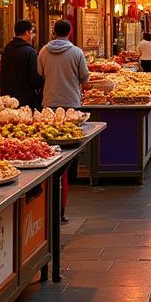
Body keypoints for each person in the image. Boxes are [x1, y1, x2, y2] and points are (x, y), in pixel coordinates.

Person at [37, 19, 90, 222]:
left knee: (51, 140)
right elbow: (84, 77)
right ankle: (69, 177)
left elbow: (40, 73)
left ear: (53, 31)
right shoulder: (76, 52)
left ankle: (52, 178)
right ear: (70, 32)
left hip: (49, 102)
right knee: (72, 140)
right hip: (71, 102)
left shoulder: (43, 51)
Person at [0, 19, 42, 109]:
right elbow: (34, 79)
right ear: (26, 32)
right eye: (31, 32)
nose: (32, 36)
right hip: (26, 100)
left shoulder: (7, 48)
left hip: (7, 98)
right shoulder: (30, 51)